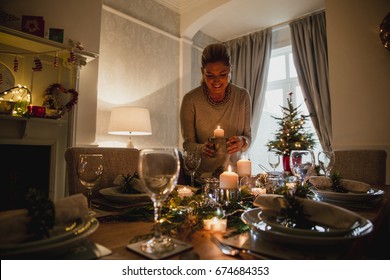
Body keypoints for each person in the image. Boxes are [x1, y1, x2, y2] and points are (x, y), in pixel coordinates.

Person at [180, 43, 252, 179]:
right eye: (210, 75)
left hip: (235, 176)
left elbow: (248, 137)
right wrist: (201, 149)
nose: (216, 81)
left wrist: (241, 142)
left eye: (223, 74)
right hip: (203, 177)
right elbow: (188, 144)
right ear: (203, 71)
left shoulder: (242, 96)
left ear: (230, 70)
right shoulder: (191, 100)